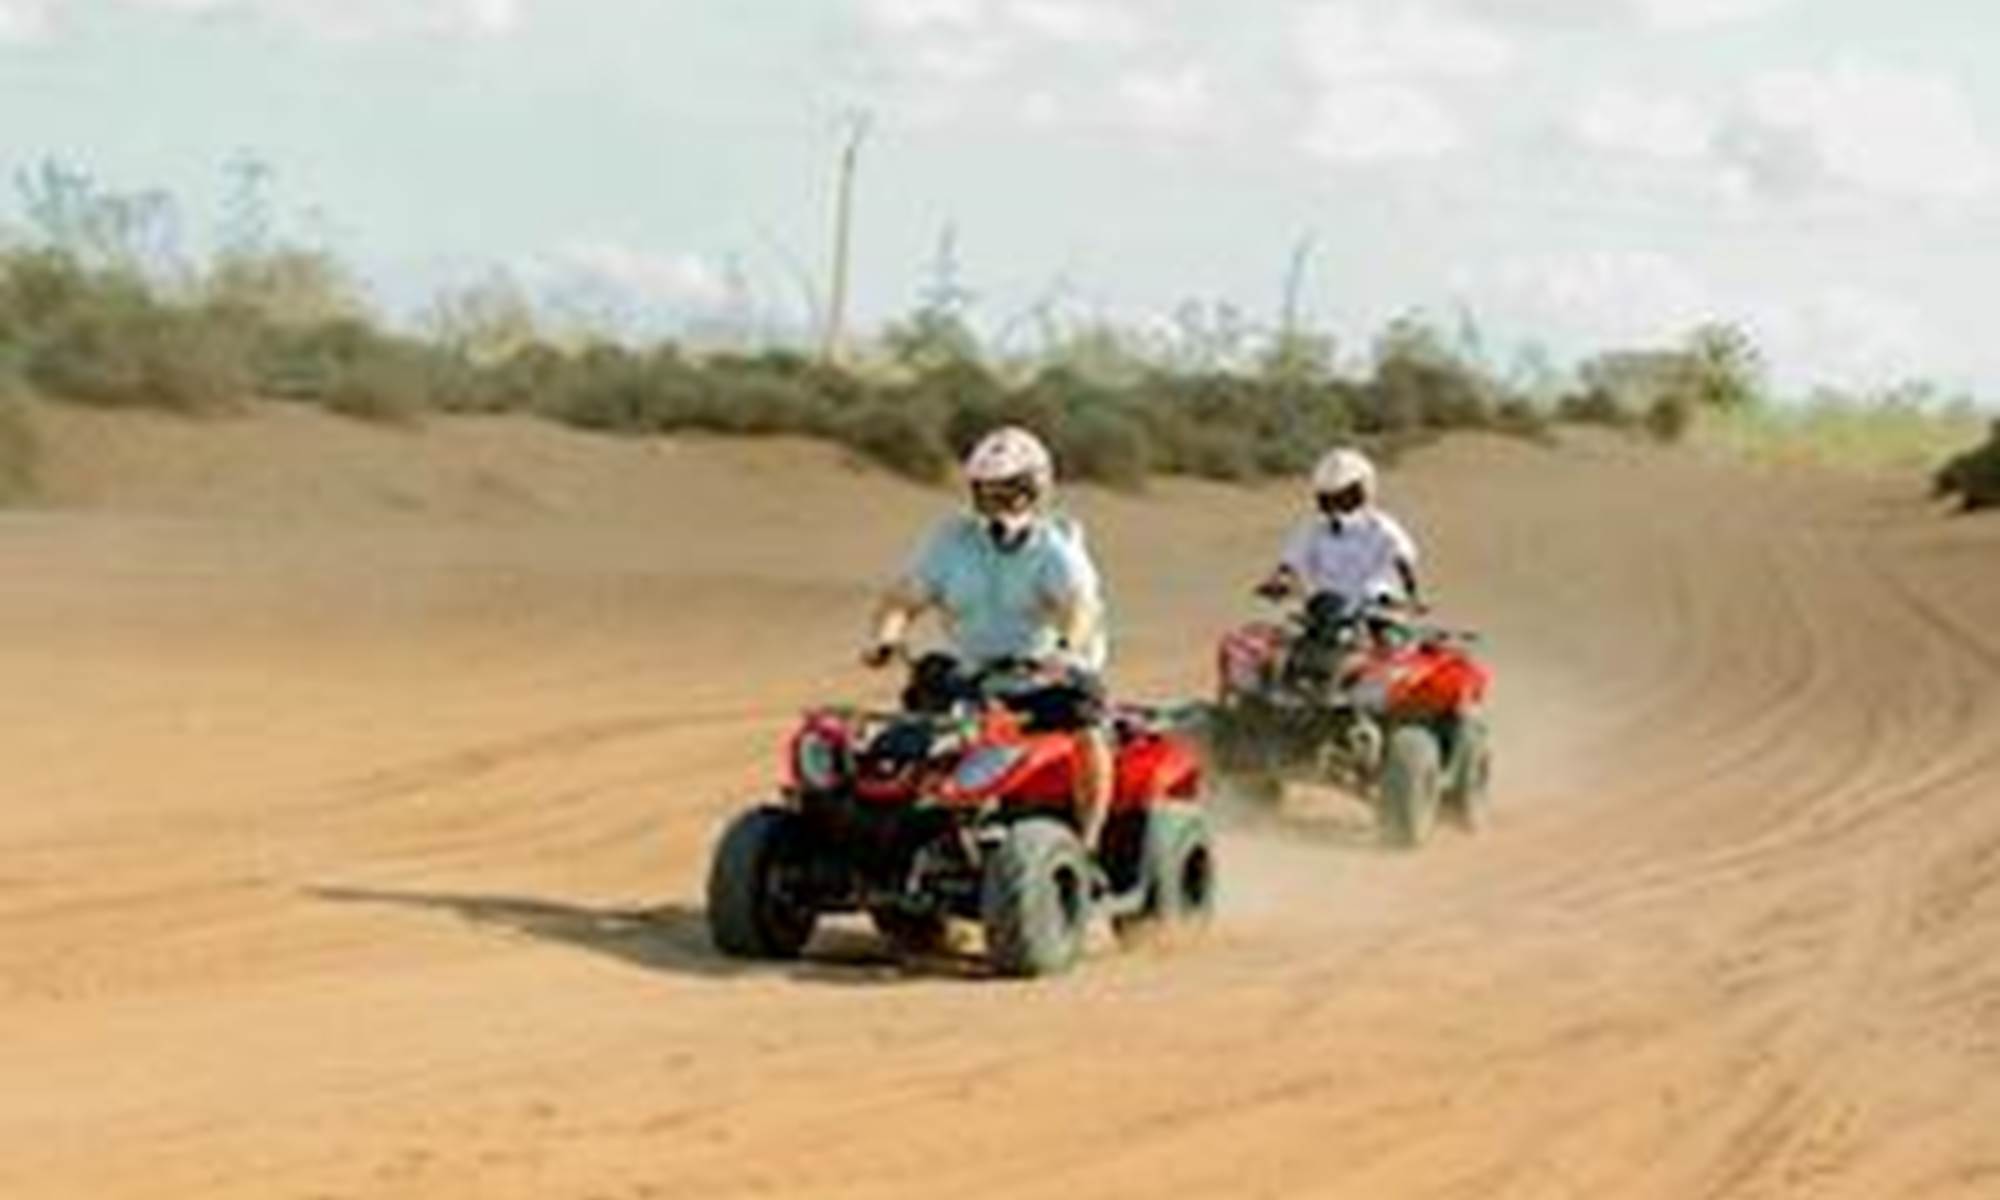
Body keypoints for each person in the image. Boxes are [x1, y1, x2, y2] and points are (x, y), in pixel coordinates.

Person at [861, 426, 1115, 860]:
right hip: (974, 669)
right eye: (988, 492)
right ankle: (915, 834)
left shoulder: (1055, 546)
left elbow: (1080, 606)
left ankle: (1088, 842)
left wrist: (1068, 651)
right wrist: (887, 637)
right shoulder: (950, 541)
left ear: (1037, 489)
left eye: (1011, 491)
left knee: (1086, 722)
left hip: (1045, 670)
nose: (998, 503)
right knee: (918, 720)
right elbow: (901, 599)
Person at [1256, 446, 1423, 612]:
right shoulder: (1313, 529)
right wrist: (1278, 582)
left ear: (1362, 492)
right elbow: (1291, 563)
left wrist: (1408, 596)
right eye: (1328, 498)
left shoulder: (1382, 529)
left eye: (1343, 497)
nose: (1335, 505)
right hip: (1324, 612)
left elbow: (1402, 564)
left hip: (1376, 612)